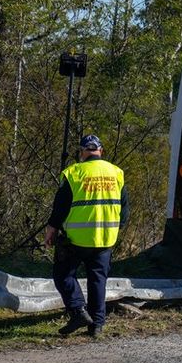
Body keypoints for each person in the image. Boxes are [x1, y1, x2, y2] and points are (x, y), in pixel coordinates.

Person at [46, 134, 126, 337]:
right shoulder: (116, 173)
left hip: (77, 239)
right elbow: (125, 210)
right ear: (101, 151)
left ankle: (78, 310)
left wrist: (52, 228)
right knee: (98, 280)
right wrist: (117, 227)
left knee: (63, 275)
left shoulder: (74, 173)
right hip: (106, 238)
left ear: (82, 152)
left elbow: (60, 207)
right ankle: (97, 325)